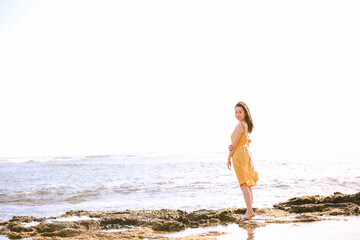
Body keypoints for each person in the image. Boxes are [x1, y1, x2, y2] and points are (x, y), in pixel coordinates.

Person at [227, 101, 259, 222]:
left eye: (240, 112)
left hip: (239, 154)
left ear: (245, 113)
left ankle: (250, 211)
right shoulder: (245, 124)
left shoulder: (240, 125)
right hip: (246, 153)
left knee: (243, 184)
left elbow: (234, 145)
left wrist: (229, 157)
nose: (237, 114)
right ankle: (249, 210)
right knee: (248, 183)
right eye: (236, 112)